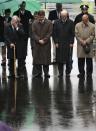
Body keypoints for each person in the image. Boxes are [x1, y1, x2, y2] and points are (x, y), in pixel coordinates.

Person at [53, 10, 74, 77]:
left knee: (68, 58)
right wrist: (56, 42)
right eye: (62, 16)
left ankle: (67, 72)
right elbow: (54, 33)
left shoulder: (71, 22)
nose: (64, 17)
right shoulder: (56, 22)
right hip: (59, 43)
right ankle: (60, 72)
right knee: (59, 59)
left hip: (68, 43)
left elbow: (72, 34)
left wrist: (71, 42)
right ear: (60, 16)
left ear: (67, 15)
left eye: (65, 16)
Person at [32, 10, 53, 78]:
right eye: (39, 17)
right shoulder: (34, 23)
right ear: (38, 16)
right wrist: (38, 40)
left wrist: (44, 40)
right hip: (37, 43)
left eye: (42, 16)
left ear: (44, 16)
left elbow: (49, 33)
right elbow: (33, 33)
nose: (41, 18)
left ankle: (46, 73)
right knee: (37, 59)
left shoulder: (49, 22)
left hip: (46, 44)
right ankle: (38, 73)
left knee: (45, 59)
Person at [13, 1, 34, 65]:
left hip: (26, 33)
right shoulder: (16, 13)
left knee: (25, 46)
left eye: (24, 5)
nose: (23, 6)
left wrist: (30, 22)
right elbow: (13, 21)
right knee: (18, 46)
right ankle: (18, 58)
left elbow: (32, 18)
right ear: (20, 6)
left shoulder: (28, 12)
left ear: (25, 5)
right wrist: (17, 21)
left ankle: (23, 58)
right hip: (17, 33)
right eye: (22, 5)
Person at [75, 14, 95, 78]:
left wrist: (86, 41)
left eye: (86, 20)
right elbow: (76, 35)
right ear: (82, 19)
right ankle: (81, 73)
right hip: (81, 45)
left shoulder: (92, 26)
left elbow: (93, 35)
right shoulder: (77, 25)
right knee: (80, 60)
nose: (84, 21)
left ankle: (89, 74)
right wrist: (82, 41)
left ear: (88, 19)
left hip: (89, 45)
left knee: (89, 60)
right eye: (83, 20)